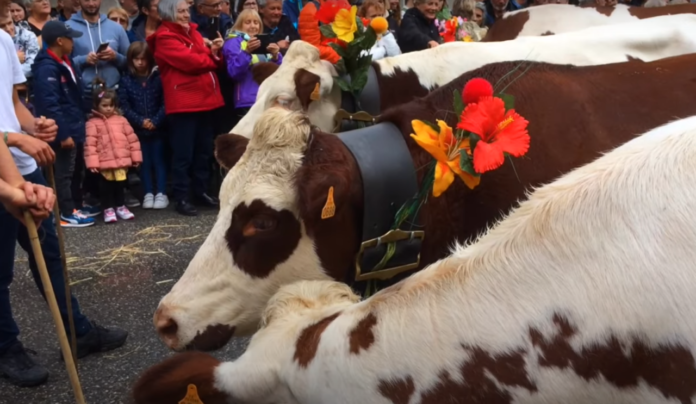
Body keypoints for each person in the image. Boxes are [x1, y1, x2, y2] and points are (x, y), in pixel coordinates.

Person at [0, 0, 128, 387]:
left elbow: (13, 101)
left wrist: (34, 125)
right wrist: (16, 139)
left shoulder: (4, 41)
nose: (10, 15)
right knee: (0, 271)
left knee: (51, 255)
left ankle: (77, 330)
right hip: (6, 171)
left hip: (22, 166)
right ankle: (6, 346)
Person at [148, 0, 224, 216]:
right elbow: (193, 63)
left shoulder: (194, 32)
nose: (185, 14)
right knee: (183, 155)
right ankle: (182, 197)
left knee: (203, 151)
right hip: (184, 103)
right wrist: (210, 54)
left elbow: (207, 60)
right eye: (180, 11)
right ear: (168, 14)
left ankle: (200, 192)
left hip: (205, 99)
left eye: (186, 10)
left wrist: (212, 53)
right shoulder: (164, 38)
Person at [32, 21, 95, 228]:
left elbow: (75, 94)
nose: (73, 42)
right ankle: (65, 212)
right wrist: (63, 134)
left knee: (74, 170)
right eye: (70, 38)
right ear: (60, 41)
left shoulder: (66, 61)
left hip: (75, 124)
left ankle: (74, 205)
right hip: (63, 130)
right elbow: (50, 104)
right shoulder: (47, 68)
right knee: (62, 173)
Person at [118, 42, 168, 209]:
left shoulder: (158, 78)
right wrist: (140, 121)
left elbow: (165, 102)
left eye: (143, 59)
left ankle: (161, 192)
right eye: (136, 59)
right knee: (144, 162)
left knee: (159, 160)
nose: (140, 63)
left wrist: (156, 120)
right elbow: (124, 105)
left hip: (158, 127)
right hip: (137, 129)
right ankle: (148, 192)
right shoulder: (126, 80)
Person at [84, 89, 142, 223]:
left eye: (111, 105)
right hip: (104, 162)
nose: (108, 108)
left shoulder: (122, 120)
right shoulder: (92, 123)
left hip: (121, 161)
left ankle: (121, 206)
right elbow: (90, 144)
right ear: (96, 105)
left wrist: (136, 157)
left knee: (120, 184)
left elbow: (132, 139)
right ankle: (108, 208)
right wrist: (92, 163)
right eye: (104, 105)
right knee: (105, 186)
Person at [223, 9, 281, 125]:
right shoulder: (233, 43)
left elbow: (281, 73)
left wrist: (276, 56)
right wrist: (247, 52)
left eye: (256, 22)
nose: (253, 26)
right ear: (239, 25)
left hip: (268, 99)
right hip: (247, 100)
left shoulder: (264, 41)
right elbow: (234, 72)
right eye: (248, 22)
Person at [69, 0, 130, 100]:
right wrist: (84, 60)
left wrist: (115, 56)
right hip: (83, 94)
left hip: (114, 92)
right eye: (86, 0)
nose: (91, 4)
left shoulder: (116, 28)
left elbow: (131, 63)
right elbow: (61, 64)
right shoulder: (68, 27)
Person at [0, 9, 38, 79]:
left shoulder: (28, 35)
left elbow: (32, 66)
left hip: (28, 84)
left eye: (9, 23)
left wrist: (6, 69)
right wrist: (14, 58)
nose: (8, 29)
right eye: (2, 26)